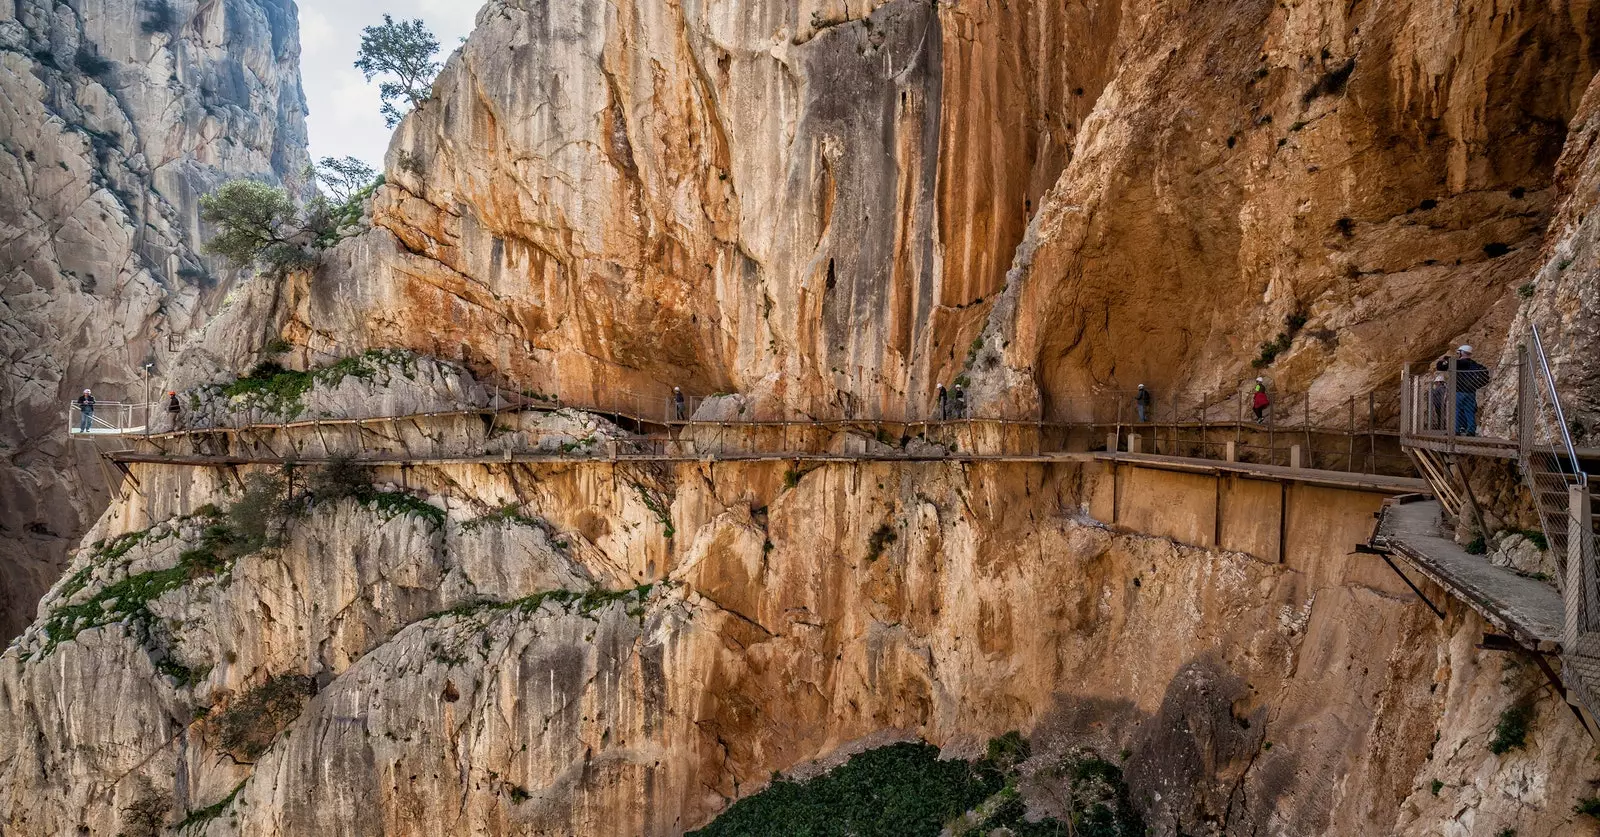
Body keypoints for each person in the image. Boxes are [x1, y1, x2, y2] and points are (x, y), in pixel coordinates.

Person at [1439, 345, 1490, 435]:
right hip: (1471, 392)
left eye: (1458, 353)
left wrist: (1441, 360)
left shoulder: (1458, 364)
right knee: (1470, 411)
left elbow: (1440, 367)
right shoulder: (1476, 365)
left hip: (1458, 391)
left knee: (1456, 411)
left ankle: (1456, 431)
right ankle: (1471, 431)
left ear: (1461, 352)